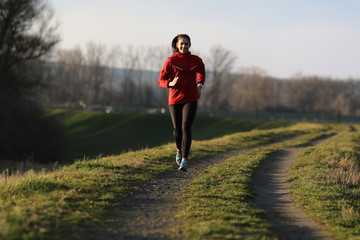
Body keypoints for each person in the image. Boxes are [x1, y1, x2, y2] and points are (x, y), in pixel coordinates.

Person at [158, 34, 205, 172]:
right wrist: (169, 83)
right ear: (177, 45)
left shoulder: (196, 60)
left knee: (186, 127)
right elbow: (161, 80)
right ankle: (179, 150)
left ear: (190, 45)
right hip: (175, 99)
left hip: (191, 98)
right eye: (182, 44)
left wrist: (199, 85)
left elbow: (201, 72)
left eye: (186, 43)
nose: (184, 46)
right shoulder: (170, 61)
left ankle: (184, 160)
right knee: (177, 130)